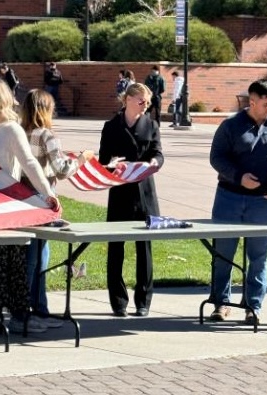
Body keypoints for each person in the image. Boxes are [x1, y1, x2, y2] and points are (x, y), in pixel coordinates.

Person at [209, 79, 267, 325]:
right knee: (223, 253)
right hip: (229, 198)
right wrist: (238, 177)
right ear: (252, 101)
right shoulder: (230, 126)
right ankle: (220, 303)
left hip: (263, 203)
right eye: (266, 104)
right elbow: (216, 158)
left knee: (259, 257)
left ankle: (253, 306)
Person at [20, 88, 94, 327]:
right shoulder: (46, 135)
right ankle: (36, 310)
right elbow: (62, 170)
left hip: (20, 201)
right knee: (39, 257)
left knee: (27, 257)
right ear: (45, 110)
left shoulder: (20, 132)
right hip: (42, 202)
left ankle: (29, 307)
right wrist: (83, 159)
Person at [0, 78, 61, 334]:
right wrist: (46, 194)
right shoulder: (9, 128)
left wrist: (46, 194)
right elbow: (29, 164)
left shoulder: (12, 129)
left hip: (5, 206)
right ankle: (8, 316)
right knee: (3, 263)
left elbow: (30, 164)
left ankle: (10, 316)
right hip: (1, 207)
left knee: (7, 262)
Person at [98, 83, 164, 318]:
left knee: (144, 248)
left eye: (148, 102)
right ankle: (118, 302)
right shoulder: (111, 126)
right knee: (116, 247)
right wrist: (113, 163)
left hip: (144, 193)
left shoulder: (152, 125)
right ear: (127, 99)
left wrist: (155, 162)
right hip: (120, 192)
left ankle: (143, 301)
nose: (146, 106)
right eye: (142, 101)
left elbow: (157, 152)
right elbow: (103, 158)